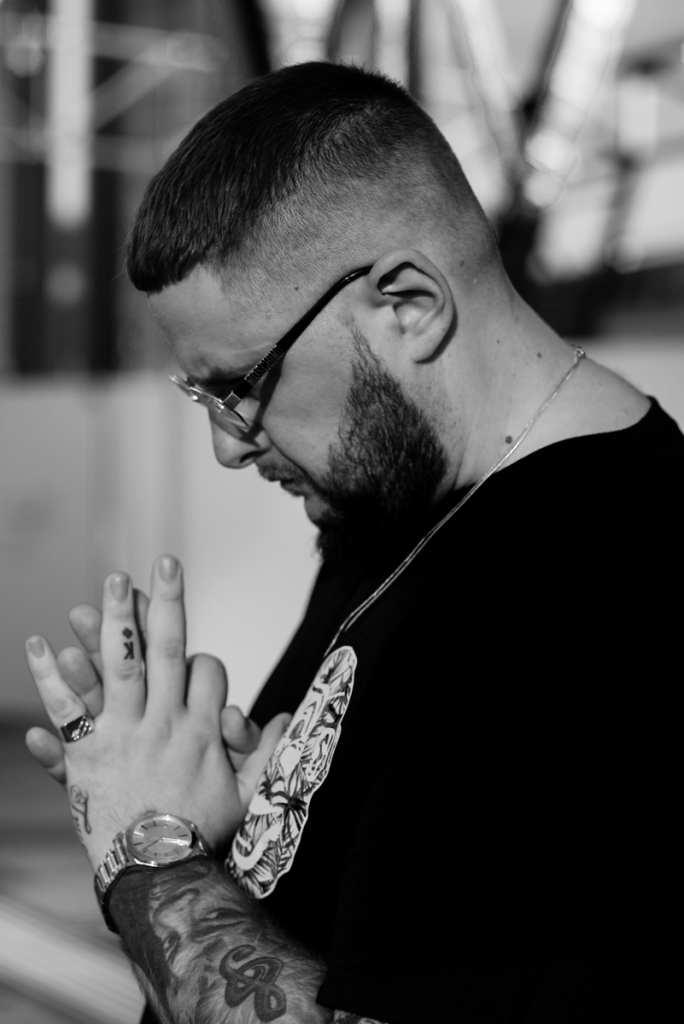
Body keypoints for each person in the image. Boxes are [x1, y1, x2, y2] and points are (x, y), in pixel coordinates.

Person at [25, 62, 682, 1024]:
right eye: (200, 395)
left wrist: (148, 854)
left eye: (240, 385)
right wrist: (225, 843)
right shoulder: (387, 505)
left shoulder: (585, 599)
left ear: (410, 304)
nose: (225, 444)